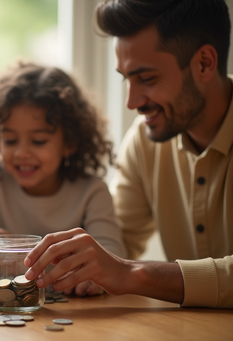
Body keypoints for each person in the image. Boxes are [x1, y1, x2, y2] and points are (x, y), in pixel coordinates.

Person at [24, 0, 233, 309]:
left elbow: (122, 269)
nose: (131, 102)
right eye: (126, 78)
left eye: (146, 78)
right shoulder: (143, 141)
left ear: (204, 63)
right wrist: (29, 253)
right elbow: (112, 247)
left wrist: (133, 273)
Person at [0, 61, 127, 294]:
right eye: (10, 141)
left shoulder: (92, 193)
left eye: (39, 141)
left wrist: (90, 276)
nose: (21, 152)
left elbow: (112, 256)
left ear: (70, 142)